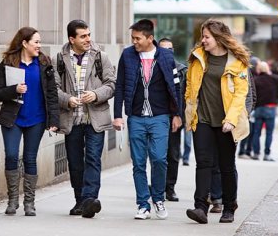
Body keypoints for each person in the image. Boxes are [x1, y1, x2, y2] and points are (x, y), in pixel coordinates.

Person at [113, 19, 183, 220]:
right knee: (138, 163)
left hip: (160, 116)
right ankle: (143, 204)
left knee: (160, 159)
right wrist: (118, 115)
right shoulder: (127, 55)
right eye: (132, 38)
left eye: (138, 38)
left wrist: (177, 114)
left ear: (150, 38)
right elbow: (119, 86)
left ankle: (158, 199)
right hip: (136, 116)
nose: (134, 42)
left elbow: (175, 87)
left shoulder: (166, 57)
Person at [185, 19, 250, 224]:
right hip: (202, 118)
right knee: (203, 163)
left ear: (219, 38)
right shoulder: (198, 58)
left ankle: (229, 207)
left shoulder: (237, 62)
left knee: (226, 166)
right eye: (202, 36)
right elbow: (190, 87)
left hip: (226, 122)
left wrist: (231, 120)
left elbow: (240, 94)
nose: (203, 40)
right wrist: (189, 111)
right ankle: (200, 207)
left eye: (207, 37)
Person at [0, 27, 60, 217]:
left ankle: (29, 203)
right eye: (36, 42)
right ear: (24, 43)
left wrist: (53, 120)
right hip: (13, 119)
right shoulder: (8, 63)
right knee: (12, 156)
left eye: (39, 42)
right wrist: (14, 89)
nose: (39, 46)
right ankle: (12, 200)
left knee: (30, 158)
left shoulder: (44, 63)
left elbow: (52, 94)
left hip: (36, 119)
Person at [55, 20, 116, 218]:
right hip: (71, 118)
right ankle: (79, 201)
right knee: (74, 162)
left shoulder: (101, 57)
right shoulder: (59, 59)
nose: (88, 39)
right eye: (83, 36)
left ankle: (90, 199)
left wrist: (96, 94)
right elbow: (52, 89)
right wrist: (67, 99)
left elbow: (112, 84)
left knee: (92, 159)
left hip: (94, 118)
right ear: (72, 39)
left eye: (89, 35)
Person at [158, 37, 187, 203]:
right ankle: (158, 187)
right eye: (163, 49)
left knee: (173, 154)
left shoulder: (181, 70)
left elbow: (184, 95)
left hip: (174, 118)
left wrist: (180, 116)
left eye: (170, 49)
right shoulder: (153, 67)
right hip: (156, 117)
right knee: (157, 155)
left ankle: (170, 188)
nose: (167, 52)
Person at [251, 61, 278, 161]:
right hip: (270, 109)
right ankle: (267, 154)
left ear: (259, 69)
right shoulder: (273, 78)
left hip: (259, 109)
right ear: (267, 69)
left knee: (257, 132)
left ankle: (256, 153)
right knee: (269, 133)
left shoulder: (255, 80)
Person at [238, 56, 260, 159]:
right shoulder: (246, 73)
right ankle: (243, 151)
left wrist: (249, 109)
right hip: (244, 109)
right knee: (247, 130)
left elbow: (252, 94)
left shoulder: (251, 74)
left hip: (248, 109)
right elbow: (252, 93)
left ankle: (245, 151)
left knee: (249, 131)